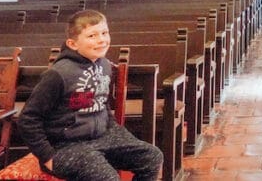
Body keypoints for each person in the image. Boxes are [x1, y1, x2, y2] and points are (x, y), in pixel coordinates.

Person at [17, 10, 163, 181]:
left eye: (104, 33)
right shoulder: (59, 74)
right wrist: (47, 156)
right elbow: (28, 119)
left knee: (152, 157)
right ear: (72, 44)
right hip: (64, 146)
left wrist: (121, 137)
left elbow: (101, 103)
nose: (101, 39)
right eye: (92, 36)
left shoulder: (105, 65)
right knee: (107, 178)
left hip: (102, 136)